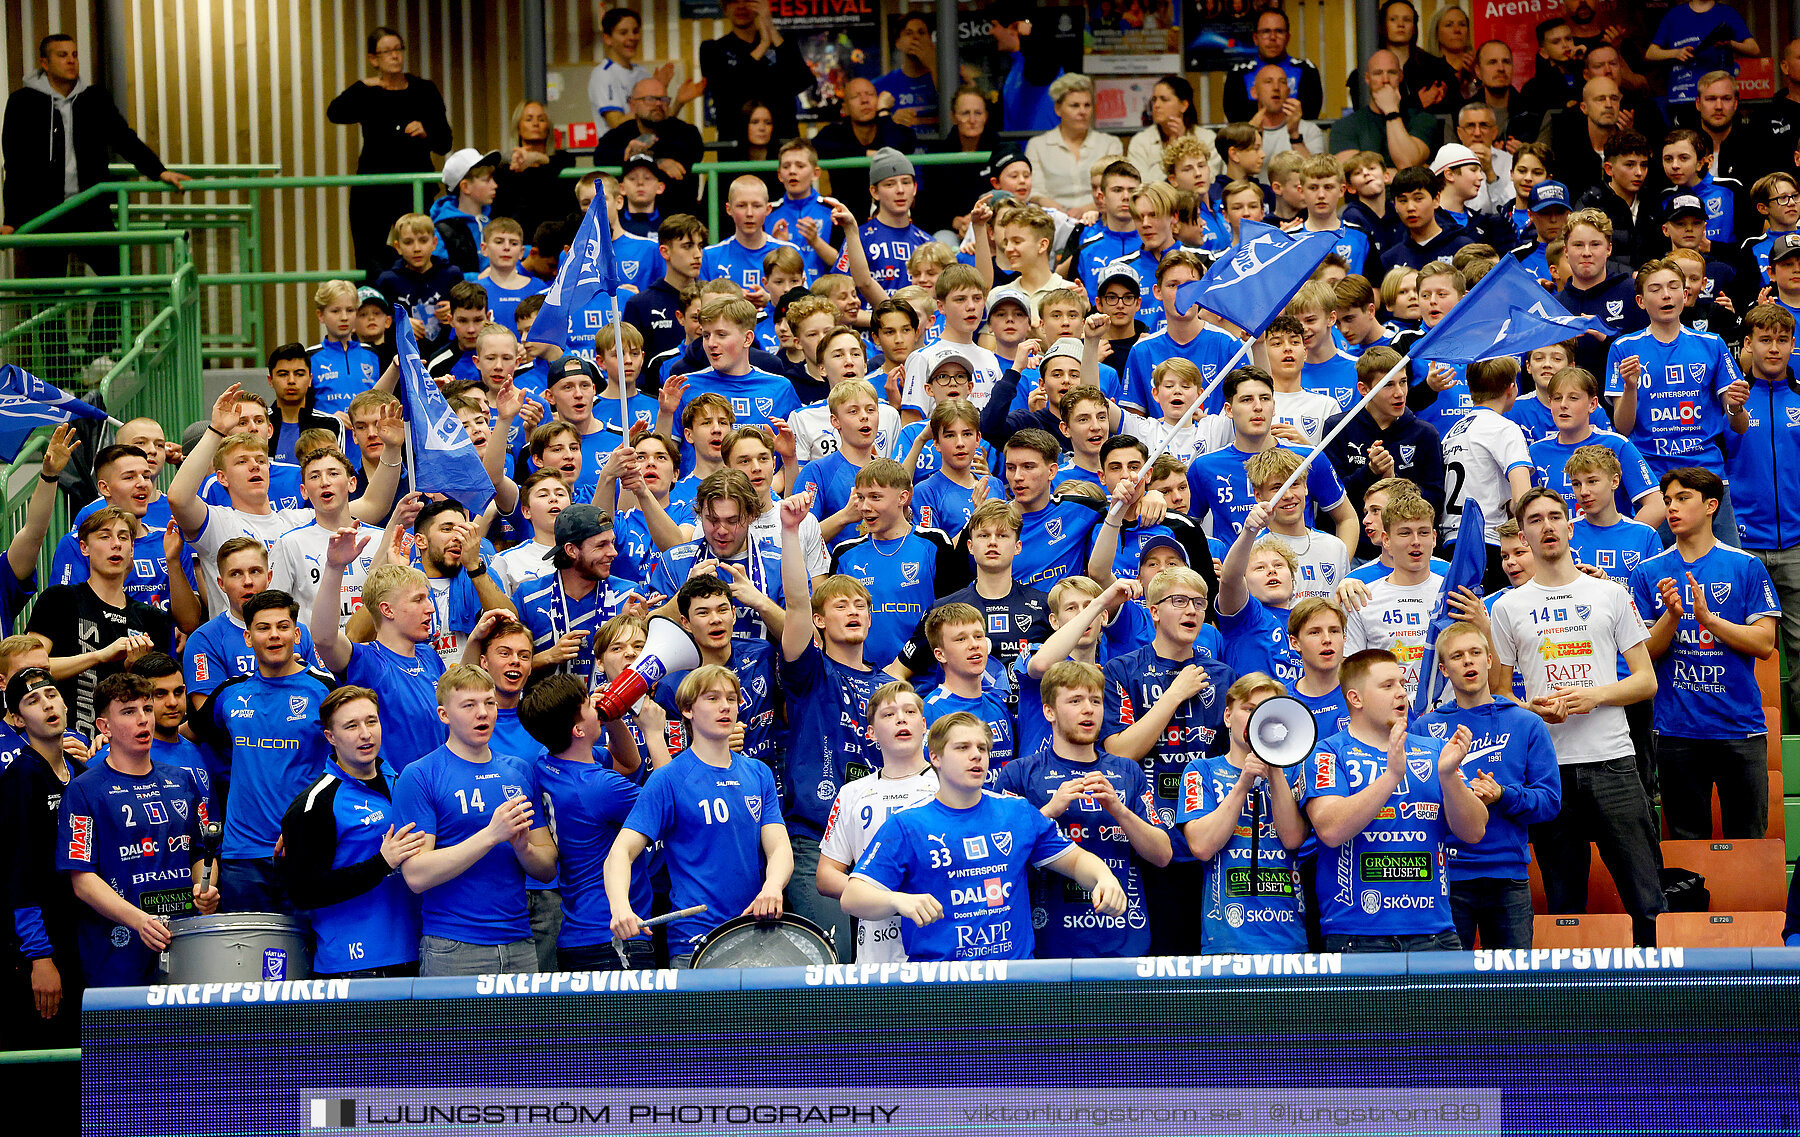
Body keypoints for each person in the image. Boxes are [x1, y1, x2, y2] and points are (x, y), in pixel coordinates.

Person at [1490, 487, 1664, 946]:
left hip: (1614, 763)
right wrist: (1533, 711)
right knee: (1565, 909)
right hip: (1548, 771)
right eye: (1535, 520)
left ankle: (1665, 1004)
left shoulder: (1609, 593)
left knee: (1648, 902)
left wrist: (1593, 697)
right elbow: (1500, 694)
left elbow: (1646, 682)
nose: (1546, 526)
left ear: (1570, 525)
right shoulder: (1507, 607)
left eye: (1554, 517)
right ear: (1523, 535)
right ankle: (1570, 1011)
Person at [843, 712, 1125, 961]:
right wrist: (897, 900)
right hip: (940, 987)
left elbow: (1075, 861)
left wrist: (1104, 877)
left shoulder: (1016, 812)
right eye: (962, 747)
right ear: (935, 758)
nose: (976, 755)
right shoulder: (907, 824)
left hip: (1013, 982)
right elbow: (852, 897)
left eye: (982, 748)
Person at [605, 664, 791, 968]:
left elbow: (780, 847)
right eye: (713, 698)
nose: (725, 707)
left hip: (754, 934)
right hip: (695, 941)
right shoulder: (669, 779)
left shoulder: (758, 773)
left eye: (731, 699)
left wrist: (772, 886)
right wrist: (620, 906)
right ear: (688, 710)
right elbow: (621, 852)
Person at [1628, 467, 1778, 840]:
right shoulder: (1649, 572)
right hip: (1676, 732)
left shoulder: (1745, 565)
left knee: (1748, 845)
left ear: (1711, 505)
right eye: (1666, 501)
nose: (1671, 508)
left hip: (1739, 730)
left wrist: (1709, 620)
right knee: (1684, 847)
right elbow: (1644, 653)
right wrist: (1672, 617)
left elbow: (1764, 643)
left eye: (1682, 499)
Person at [1300, 649, 1484, 952]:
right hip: (1356, 934)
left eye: (1401, 684)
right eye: (1387, 686)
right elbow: (1330, 829)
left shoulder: (1437, 750)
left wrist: (1450, 777)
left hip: (1435, 931)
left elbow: (1474, 831)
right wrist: (1391, 776)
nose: (1401, 693)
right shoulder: (1327, 753)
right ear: (1356, 699)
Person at [1100, 564, 1236, 954]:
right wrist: (1173, 695)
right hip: (1148, 836)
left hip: (1210, 839)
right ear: (1154, 611)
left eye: (1198, 603)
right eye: (1179, 602)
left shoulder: (1222, 676)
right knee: (1161, 961)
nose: (1192, 611)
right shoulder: (1122, 670)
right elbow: (1119, 751)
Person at [995, 659, 1169, 958]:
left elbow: (1163, 855)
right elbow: (997, 854)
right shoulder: (1019, 774)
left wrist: (1119, 810)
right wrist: (1049, 810)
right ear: (1049, 711)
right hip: (1046, 943)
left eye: (1096, 700)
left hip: (1123, 941)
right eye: (1075, 700)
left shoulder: (1128, 772)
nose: (1088, 709)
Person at [57, 674, 218, 987]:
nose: (143, 720)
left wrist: (206, 889)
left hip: (182, 936)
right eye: (129, 712)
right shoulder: (84, 790)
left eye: (146, 709)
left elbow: (201, 852)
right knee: (124, 1035)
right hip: (118, 948)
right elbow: (82, 879)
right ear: (104, 727)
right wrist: (139, 920)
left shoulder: (182, 780)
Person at [394, 666, 556, 976]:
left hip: (519, 940)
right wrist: (491, 835)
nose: (482, 713)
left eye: (489, 703)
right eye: (469, 705)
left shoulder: (518, 771)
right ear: (444, 715)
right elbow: (415, 875)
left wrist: (523, 849)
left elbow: (547, 868)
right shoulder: (420, 775)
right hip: (454, 943)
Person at [1414, 622, 1561, 950]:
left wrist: (1503, 796)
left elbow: (1550, 802)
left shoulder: (1527, 723)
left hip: (1507, 877)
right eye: (1457, 656)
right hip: (1446, 878)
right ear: (1443, 669)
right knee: (1449, 988)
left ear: (1490, 660)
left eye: (1475, 653)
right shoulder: (1425, 728)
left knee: (1514, 990)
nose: (1468, 661)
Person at [191, 590, 333, 914]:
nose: (273, 635)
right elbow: (183, 735)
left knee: (303, 959)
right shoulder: (230, 694)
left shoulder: (325, 689)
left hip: (304, 850)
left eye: (283, 626)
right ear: (248, 636)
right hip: (241, 856)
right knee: (248, 960)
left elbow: (351, 761)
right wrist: (107, 742)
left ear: (297, 634)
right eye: (263, 628)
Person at [1, 34, 191, 273]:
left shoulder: (95, 99)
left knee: (116, 278)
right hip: (44, 212)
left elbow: (124, 138)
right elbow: (16, 164)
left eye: (75, 55)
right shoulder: (22, 102)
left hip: (89, 206)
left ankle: (106, 312)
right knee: (47, 291)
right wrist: (11, 218)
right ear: (45, 64)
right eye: (62, 55)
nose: (71, 61)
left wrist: (159, 171)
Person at [279, 686, 426, 979]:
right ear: (330, 737)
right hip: (354, 965)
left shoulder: (402, 781)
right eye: (351, 726)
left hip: (417, 951)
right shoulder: (315, 803)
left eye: (371, 721)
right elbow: (303, 891)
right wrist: (380, 864)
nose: (365, 734)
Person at [519, 673, 656, 971]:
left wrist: (611, 715)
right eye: (588, 704)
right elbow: (670, 802)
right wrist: (655, 735)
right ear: (579, 729)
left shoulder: (547, 762)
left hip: (577, 934)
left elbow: (627, 763)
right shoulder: (599, 787)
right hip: (615, 934)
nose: (596, 703)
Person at [1606, 258, 1745, 543]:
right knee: (1663, 579)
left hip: (1709, 476)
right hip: (1653, 482)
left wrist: (1735, 405)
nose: (1666, 295)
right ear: (1641, 301)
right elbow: (1622, 427)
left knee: (1728, 573)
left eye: (1673, 287)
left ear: (1685, 294)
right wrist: (1630, 387)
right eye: (1655, 289)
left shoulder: (1712, 344)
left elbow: (1740, 426)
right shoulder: (1624, 348)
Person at [1177, 672, 1309, 953]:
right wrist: (1243, 784)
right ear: (1227, 716)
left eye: (1267, 712)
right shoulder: (1201, 771)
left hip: (1288, 937)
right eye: (1249, 710)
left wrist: (1274, 767)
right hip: (1227, 940)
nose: (1258, 719)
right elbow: (1201, 846)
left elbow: (1293, 838)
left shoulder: (1294, 770)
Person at [814, 681, 940, 963]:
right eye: (888, 714)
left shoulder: (948, 785)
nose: (901, 719)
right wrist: (884, 900)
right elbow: (826, 875)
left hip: (938, 942)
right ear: (871, 733)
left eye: (909, 712)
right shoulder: (852, 793)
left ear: (924, 726)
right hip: (875, 951)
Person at [27, 508, 174, 740]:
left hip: (124, 744)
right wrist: (99, 656)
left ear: (132, 549)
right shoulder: (59, 599)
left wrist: (134, 671)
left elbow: (164, 700)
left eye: (123, 537)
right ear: (84, 547)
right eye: (105, 536)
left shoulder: (151, 618)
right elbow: (28, 669)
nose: (116, 544)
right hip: (65, 740)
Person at [312, 532, 447, 773]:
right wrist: (334, 568)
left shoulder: (430, 657)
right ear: (387, 610)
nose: (430, 609)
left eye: (428, 599)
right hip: (393, 795)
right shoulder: (369, 661)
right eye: (418, 600)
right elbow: (324, 639)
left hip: (441, 790)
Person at [0, 668, 84, 1043]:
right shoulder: (22, 776)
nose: (47, 704)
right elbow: (18, 871)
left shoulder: (81, 772)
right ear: (18, 719)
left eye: (51, 694)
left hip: (84, 932)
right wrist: (39, 956)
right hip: (46, 941)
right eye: (32, 701)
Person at [325, 26, 452, 272]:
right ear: (374, 59)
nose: (394, 56)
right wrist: (361, 85)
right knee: (368, 258)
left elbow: (444, 141)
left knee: (416, 253)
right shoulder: (368, 92)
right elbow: (335, 113)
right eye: (386, 51)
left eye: (398, 49)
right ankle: (371, 308)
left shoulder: (424, 90)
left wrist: (426, 131)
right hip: (373, 189)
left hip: (413, 187)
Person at [1729, 304, 1800, 727]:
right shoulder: (1729, 401)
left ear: (1792, 346)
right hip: (1742, 547)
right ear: (1749, 345)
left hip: (1796, 545)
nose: (1774, 348)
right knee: (1737, 649)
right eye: (1765, 339)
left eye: (1782, 340)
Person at [700, 0, 812, 149]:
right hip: (735, 146)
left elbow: (803, 80)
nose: (741, 6)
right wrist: (762, 46)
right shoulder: (712, 49)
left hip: (783, 143)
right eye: (734, 1)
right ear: (725, 9)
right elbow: (726, 88)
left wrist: (770, 27)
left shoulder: (781, 44)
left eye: (747, 1)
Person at [594, 78, 706, 215]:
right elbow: (600, 158)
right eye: (650, 99)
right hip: (629, 219)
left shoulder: (687, 132)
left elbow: (689, 152)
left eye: (663, 99)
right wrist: (657, 161)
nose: (658, 104)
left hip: (678, 218)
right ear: (633, 105)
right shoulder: (618, 135)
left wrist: (644, 157)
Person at [588, 7, 701, 130]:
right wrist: (647, 100)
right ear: (607, 38)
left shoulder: (642, 72)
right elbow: (617, 125)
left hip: (648, 146)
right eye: (623, 33)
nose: (632, 37)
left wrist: (679, 102)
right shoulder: (603, 74)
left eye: (635, 31)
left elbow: (658, 123)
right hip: (620, 148)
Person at [1023, 75, 1122, 216]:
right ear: (1058, 109)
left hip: (1101, 217)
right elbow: (1034, 191)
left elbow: (1116, 189)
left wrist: (1086, 209)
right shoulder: (1038, 145)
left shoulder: (1110, 144)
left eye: (1087, 105)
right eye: (1075, 105)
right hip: (1051, 218)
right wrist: (1050, 206)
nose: (1083, 111)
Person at [1330, 50, 1436, 170]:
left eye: (1392, 73)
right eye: (1377, 73)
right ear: (1367, 78)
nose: (1385, 80)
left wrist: (1391, 111)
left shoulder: (1422, 119)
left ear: (1401, 76)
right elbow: (1351, 174)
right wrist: (1397, 174)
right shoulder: (1345, 125)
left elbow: (1407, 164)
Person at [1648, 0, 1759, 106]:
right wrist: (1676, 53)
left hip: (1718, 98)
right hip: (1683, 95)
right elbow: (1651, 53)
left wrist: (1730, 44)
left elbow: (1754, 49)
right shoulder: (1673, 15)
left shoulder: (1727, 13)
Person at [1223, 10, 1325, 122]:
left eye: (1279, 31)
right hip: (1251, 138)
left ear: (1287, 38)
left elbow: (1309, 116)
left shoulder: (1306, 70)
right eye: (1266, 31)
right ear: (1255, 38)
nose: (1273, 37)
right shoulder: (1238, 73)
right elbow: (1237, 120)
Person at [1127, 76, 1219, 192]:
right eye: (1154, 100)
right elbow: (1140, 186)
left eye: (1164, 99)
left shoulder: (1208, 138)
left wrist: (1183, 141)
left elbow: (1211, 179)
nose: (1156, 105)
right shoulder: (1140, 141)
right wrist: (1170, 151)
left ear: (1184, 105)